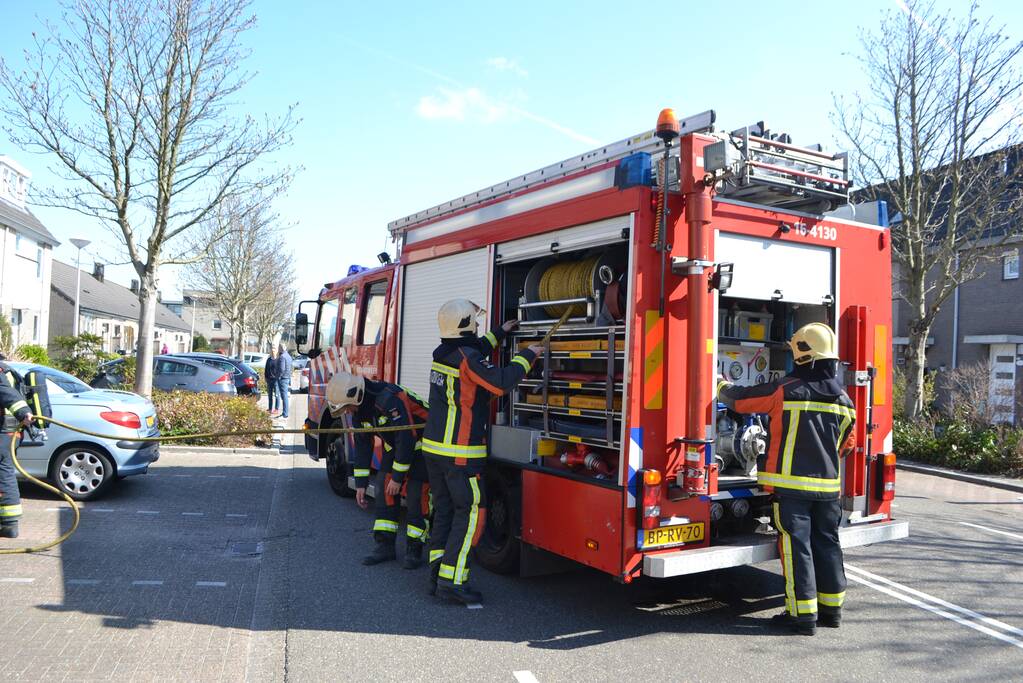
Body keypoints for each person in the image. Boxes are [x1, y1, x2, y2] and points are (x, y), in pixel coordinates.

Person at [717, 322, 856, 636]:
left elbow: (741, 401)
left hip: (792, 491)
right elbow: (847, 445)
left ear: (802, 354)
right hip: (828, 491)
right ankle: (831, 611)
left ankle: (802, 616)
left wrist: (720, 385)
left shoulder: (785, 390)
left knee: (797, 549)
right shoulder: (845, 401)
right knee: (828, 545)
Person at [423, 299, 542, 604]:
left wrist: (500, 332)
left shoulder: (444, 353)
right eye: (473, 321)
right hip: (460, 453)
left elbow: (474, 351)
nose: (477, 325)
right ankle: (452, 582)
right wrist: (529, 354)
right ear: (464, 325)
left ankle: (437, 572)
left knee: (445, 511)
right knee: (469, 513)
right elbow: (500, 382)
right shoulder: (467, 358)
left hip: (436, 451)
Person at [326, 370, 431, 569]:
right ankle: (385, 546)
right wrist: (361, 485)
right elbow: (363, 446)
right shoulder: (359, 410)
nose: (347, 412)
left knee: (416, 496)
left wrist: (398, 478)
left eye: (346, 408)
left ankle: (415, 549)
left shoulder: (389, 399)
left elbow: (406, 438)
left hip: (424, 446)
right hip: (398, 447)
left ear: (355, 396)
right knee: (384, 491)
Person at [0, 363, 36, 539]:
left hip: (3, 432)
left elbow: (7, 393)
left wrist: (23, 412)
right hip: (12, 432)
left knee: (4, 473)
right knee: (4, 473)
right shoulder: (7, 369)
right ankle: (9, 523)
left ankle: (9, 524)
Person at [276, 344, 292, 419]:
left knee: (284, 396)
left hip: (282, 378)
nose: (278, 349)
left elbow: (282, 369)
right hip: (287, 377)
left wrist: (279, 376)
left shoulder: (282, 357)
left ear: (281, 348)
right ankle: (285, 413)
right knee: (284, 396)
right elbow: (290, 368)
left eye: (278, 348)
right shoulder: (288, 356)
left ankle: (285, 414)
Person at [264, 349, 280, 415]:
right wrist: (265, 377)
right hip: (269, 380)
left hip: (275, 380)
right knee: (270, 395)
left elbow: (280, 370)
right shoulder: (268, 360)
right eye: (272, 351)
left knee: (277, 395)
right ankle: (270, 409)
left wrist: (278, 378)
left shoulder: (278, 360)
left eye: (274, 351)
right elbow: (266, 369)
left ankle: (276, 409)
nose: (273, 353)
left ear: (276, 352)